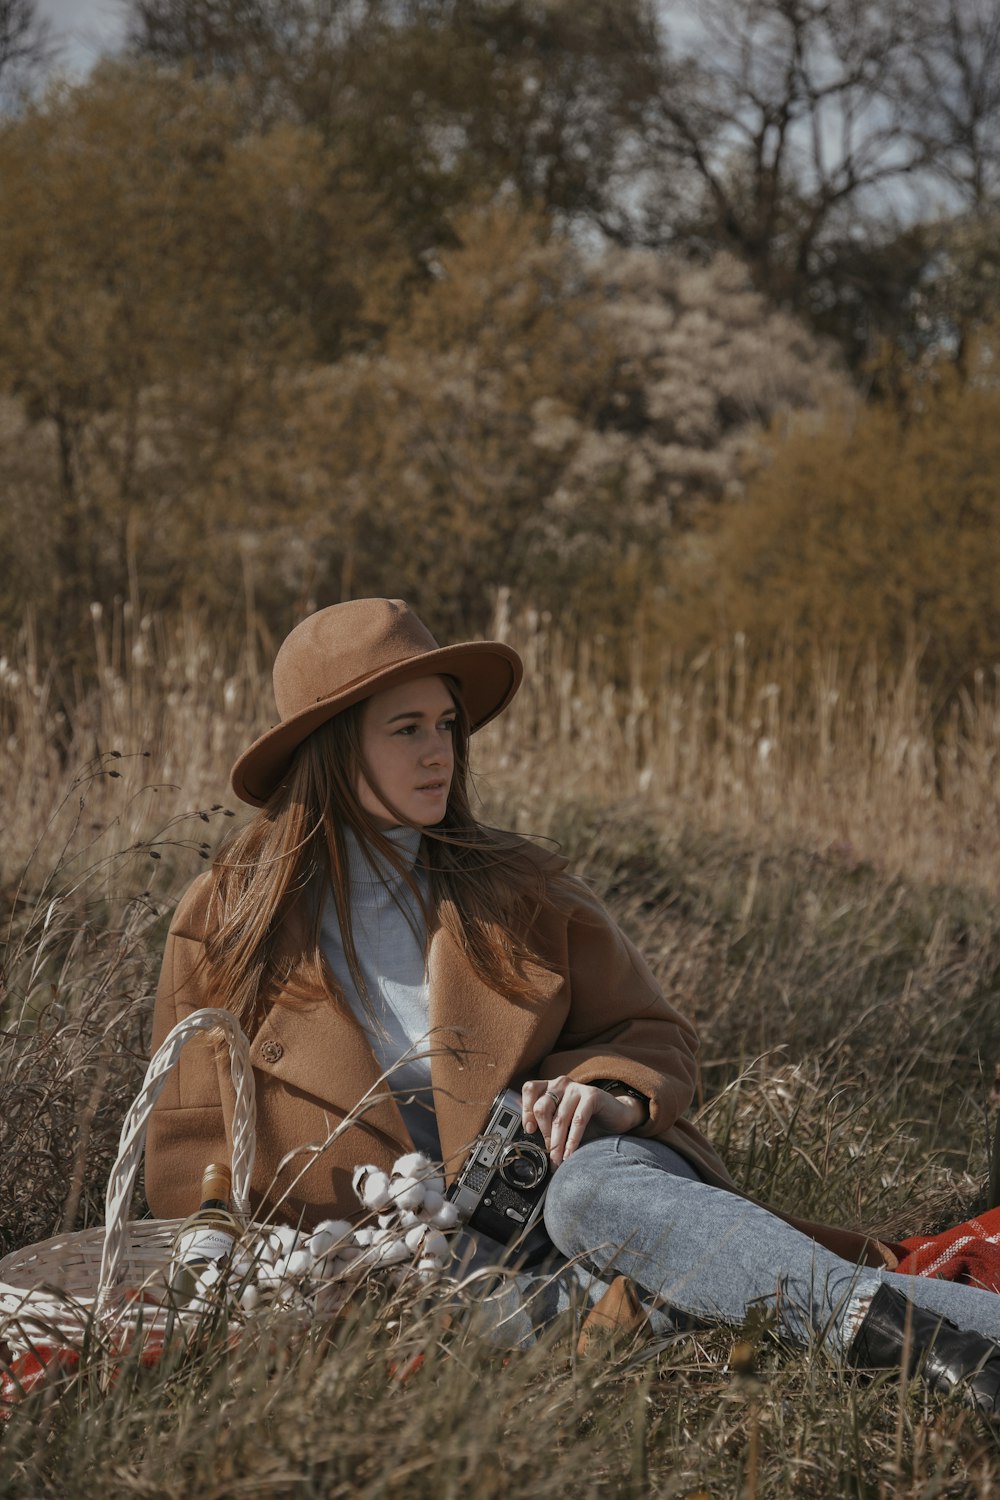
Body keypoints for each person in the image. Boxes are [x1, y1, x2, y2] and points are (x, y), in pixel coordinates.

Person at [147, 598, 1000, 1413]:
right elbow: (191, 1153)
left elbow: (648, 1034)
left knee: (585, 1192)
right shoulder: (226, 923)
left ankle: (920, 1353)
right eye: (406, 730)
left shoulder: (523, 888)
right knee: (478, 1315)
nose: (440, 752)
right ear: (332, 747)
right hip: (416, 1265)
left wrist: (611, 1091)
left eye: (445, 725)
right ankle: (865, 1324)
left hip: (607, 1195)